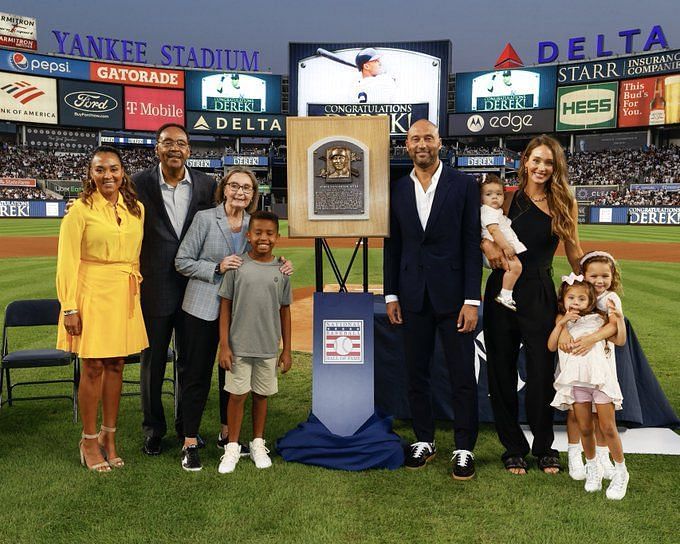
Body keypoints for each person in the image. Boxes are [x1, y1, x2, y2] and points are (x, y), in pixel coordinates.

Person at [174, 168, 293, 471]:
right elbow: (182, 261)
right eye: (235, 186)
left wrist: (282, 263)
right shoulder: (204, 218)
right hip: (202, 306)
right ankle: (189, 441)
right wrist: (216, 266)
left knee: (232, 377)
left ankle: (228, 435)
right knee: (197, 375)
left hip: (239, 312)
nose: (240, 192)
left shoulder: (255, 225)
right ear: (224, 189)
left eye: (247, 188)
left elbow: (261, 254)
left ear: (254, 194)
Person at [383, 119, 481, 480]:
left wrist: (472, 299)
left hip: (455, 297)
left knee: (460, 376)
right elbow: (393, 246)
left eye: (428, 137)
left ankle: (463, 446)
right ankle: (425, 438)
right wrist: (391, 293)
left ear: (439, 142)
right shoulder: (396, 189)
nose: (421, 144)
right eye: (414, 139)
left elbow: (472, 244)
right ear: (406, 146)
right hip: (411, 295)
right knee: (416, 373)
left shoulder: (464, 185)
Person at [482, 134, 583, 475]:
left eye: (549, 162)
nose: (541, 167)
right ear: (524, 161)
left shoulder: (564, 202)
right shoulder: (507, 199)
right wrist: (487, 245)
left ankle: (544, 447)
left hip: (540, 289)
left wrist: (591, 286)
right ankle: (512, 447)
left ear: (556, 167)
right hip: (503, 289)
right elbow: (483, 227)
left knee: (541, 372)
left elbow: (573, 251)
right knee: (501, 370)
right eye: (536, 160)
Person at [56, 145, 148, 472]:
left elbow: (136, 255)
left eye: (113, 169)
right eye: (100, 169)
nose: (107, 175)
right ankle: (89, 439)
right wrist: (69, 307)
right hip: (90, 292)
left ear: (123, 173)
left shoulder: (136, 209)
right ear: (90, 174)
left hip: (124, 291)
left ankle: (110, 437)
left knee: (118, 365)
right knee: (93, 366)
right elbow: (66, 260)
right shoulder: (79, 210)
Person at [132, 123, 217, 456]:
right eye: (167, 142)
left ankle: (187, 428)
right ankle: (154, 429)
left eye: (180, 143)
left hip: (195, 287)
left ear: (189, 150)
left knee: (191, 362)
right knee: (153, 362)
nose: (174, 148)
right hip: (154, 287)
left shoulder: (207, 185)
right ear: (157, 148)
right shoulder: (137, 184)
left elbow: (227, 222)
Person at [216, 211, 292, 474]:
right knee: (237, 396)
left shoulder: (282, 270)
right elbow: (224, 307)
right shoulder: (237, 267)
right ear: (248, 236)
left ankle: (258, 442)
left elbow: (285, 310)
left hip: (268, 347)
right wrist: (224, 345)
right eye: (258, 232)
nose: (264, 238)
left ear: (277, 238)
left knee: (261, 396)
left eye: (270, 234)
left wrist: (287, 350)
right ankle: (232, 446)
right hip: (238, 347)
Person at [548, 274, 629, 500]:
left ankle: (621, 472)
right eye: (571, 298)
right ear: (562, 300)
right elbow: (551, 345)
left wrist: (618, 319)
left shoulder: (599, 320)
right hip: (577, 382)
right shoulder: (563, 321)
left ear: (591, 301)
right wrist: (562, 324)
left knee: (607, 427)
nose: (575, 302)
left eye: (582, 299)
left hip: (600, 380)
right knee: (584, 427)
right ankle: (592, 468)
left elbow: (619, 339)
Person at [566, 251, 627, 481]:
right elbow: (562, 315)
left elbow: (616, 333)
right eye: (594, 276)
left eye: (605, 276)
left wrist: (592, 338)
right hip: (574, 360)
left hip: (599, 361)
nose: (600, 281)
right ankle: (575, 454)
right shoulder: (578, 294)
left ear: (613, 277)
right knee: (576, 411)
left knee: (601, 414)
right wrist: (562, 330)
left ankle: (602, 457)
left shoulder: (611, 299)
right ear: (583, 275)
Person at [479, 174, 526, 311]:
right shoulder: (488, 212)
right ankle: (505, 294)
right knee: (516, 267)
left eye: (498, 194)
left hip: (498, 248)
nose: (494, 197)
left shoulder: (496, 211)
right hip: (496, 249)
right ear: (481, 198)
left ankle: (506, 294)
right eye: (489, 194)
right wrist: (506, 247)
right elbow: (494, 230)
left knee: (515, 267)